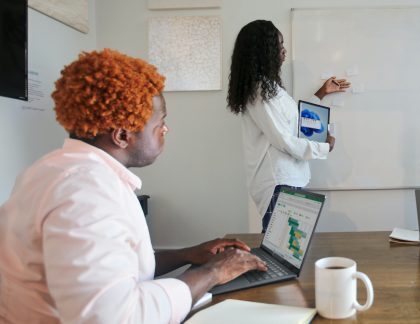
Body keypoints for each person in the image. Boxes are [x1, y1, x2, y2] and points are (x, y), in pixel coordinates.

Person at [0, 49, 267, 323]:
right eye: (160, 123)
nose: (166, 130)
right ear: (123, 135)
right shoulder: (86, 194)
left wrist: (186, 254)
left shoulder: (54, 168)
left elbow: (114, 270)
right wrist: (213, 273)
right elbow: (113, 317)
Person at [226, 20, 350, 232]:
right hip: (279, 183)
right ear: (263, 51)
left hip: (287, 179)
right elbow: (284, 140)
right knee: (282, 253)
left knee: (288, 252)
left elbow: (293, 120)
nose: (283, 51)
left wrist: (321, 93)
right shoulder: (260, 92)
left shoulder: (268, 88)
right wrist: (324, 147)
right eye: (278, 45)